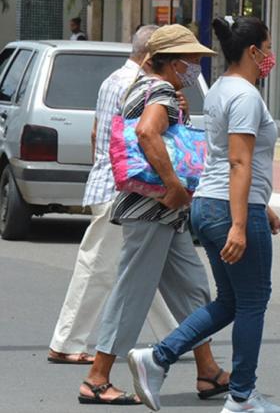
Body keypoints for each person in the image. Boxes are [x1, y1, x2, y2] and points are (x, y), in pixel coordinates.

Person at [127, 16, 280, 413]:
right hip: (230, 209)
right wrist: (239, 222)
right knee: (253, 301)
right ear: (253, 52)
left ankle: (158, 357)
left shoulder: (220, 89)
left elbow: (222, 158)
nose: (270, 57)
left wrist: (259, 204)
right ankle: (242, 396)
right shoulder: (247, 96)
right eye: (267, 49)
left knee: (232, 301)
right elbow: (237, 160)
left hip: (210, 205)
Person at [79, 24, 228, 406]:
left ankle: (207, 369)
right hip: (153, 207)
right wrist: (174, 185)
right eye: (192, 59)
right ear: (173, 61)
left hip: (164, 212)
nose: (196, 66)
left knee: (193, 287)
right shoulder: (159, 89)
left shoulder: (150, 87)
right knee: (132, 292)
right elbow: (147, 133)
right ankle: (97, 377)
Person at [47, 25, 180, 366]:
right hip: (125, 188)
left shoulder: (113, 80)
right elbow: (143, 138)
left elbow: (98, 133)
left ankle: (179, 336)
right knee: (99, 267)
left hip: (110, 182)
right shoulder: (141, 85)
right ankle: (66, 341)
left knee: (137, 265)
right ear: (155, 55)